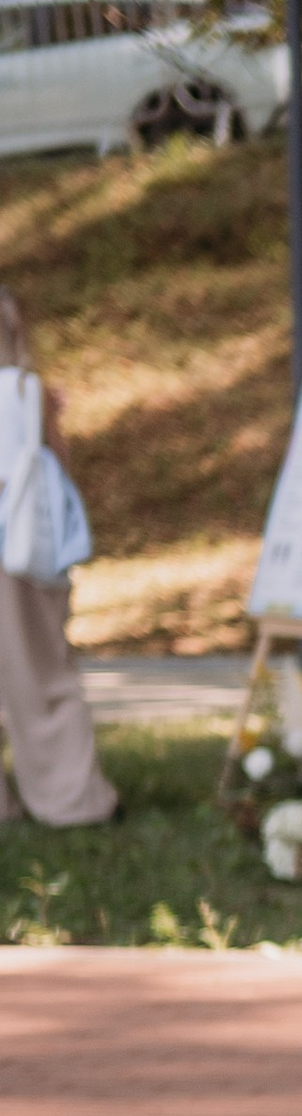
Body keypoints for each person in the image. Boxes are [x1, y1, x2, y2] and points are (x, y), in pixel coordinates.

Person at [0, 283, 116, 829]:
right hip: (20, 551)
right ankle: (70, 798)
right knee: (43, 676)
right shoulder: (26, 391)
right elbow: (58, 471)